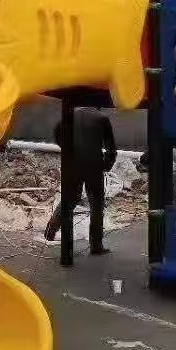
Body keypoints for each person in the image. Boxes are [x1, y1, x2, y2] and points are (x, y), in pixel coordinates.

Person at [44, 108, 118, 254]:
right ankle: (96, 245)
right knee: (96, 204)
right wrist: (106, 165)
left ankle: (50, 230)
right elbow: (111, 149)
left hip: (71, 163)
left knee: (70, 198)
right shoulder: (102, 118)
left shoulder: (69, 115)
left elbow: (57, 133)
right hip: (94, 164)